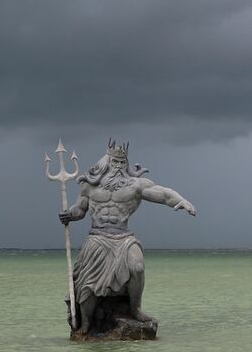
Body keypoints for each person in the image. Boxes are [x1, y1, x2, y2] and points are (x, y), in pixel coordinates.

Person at [59, 139, 195, 335]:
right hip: (97, 238)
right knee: (87, 287)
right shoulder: (90, 186)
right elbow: (80, 209)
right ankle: (85, 325)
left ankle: (135, 308)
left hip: (124, 238)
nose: (118, 167)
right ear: (105, 162)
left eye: (122, 163)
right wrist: (69, 215)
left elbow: (163, 194)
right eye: (114, 162)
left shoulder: (135, 185)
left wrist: (182, 200)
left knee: (137, 267)